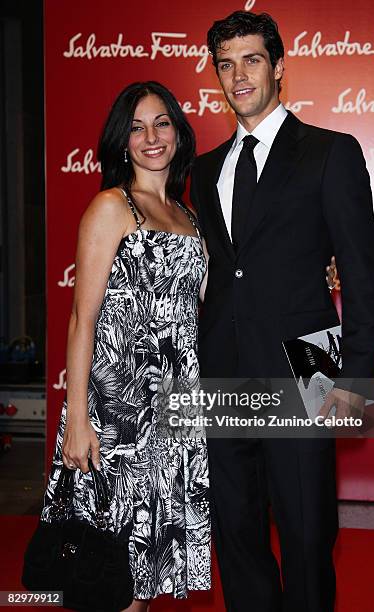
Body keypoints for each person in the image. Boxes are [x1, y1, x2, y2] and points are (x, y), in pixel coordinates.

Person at [190, 10, 374, 612]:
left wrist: (354, 381)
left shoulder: (331, 152)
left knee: (305, 533)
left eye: (252, 60)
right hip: (222, 369)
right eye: (226, 64)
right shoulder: (202, 171)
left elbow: (360, 270)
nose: (238, 75)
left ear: (278, 68)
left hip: (307, 369)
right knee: (238, 534)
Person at [40, 81, 211, 611]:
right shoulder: (112, 208)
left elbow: (214, 307)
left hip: (174, 417)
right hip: (117, 419)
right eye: (136, 127)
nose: (151, 137)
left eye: (161, 123)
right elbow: (80, 319)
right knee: (112, 579)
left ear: (179, 135)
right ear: (122, 141)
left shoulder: (191, 219)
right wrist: (77, 418)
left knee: (148, 576)